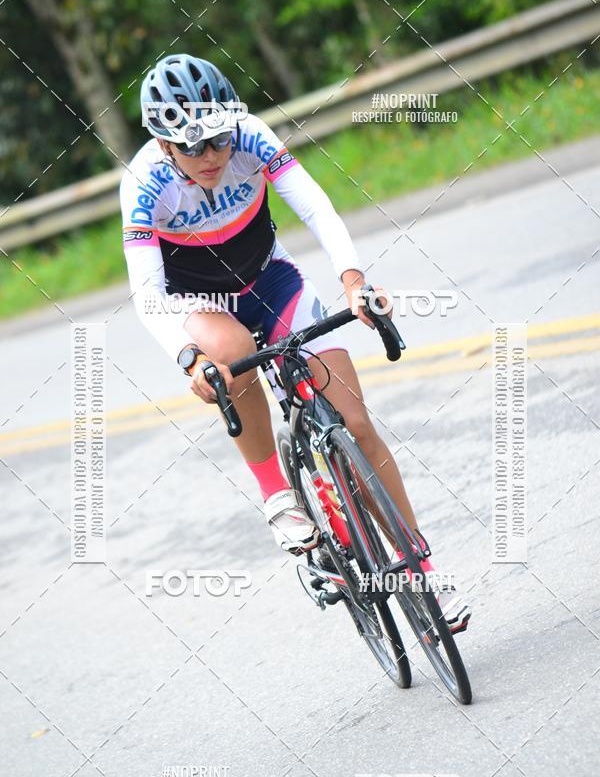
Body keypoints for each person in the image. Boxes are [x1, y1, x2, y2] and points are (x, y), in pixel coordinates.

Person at [119, 53, 471, 634]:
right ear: (163, 146)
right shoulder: (143, 184)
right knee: (232, 355)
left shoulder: (252, 137)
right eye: (193, 147)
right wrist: (189, 359)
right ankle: (276, 492)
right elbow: (147, 292)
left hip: (271, 278)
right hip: (201, 305)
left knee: (356, 423)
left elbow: (314, 205)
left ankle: (421, 574)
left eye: (218, 140)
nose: (211, 157)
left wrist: (353, 279)